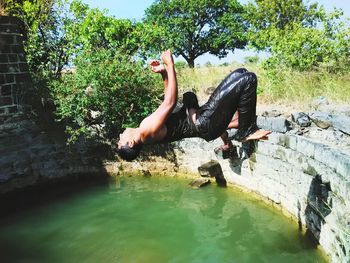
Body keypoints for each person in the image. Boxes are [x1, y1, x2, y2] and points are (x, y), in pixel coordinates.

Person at [117, 50, 271, 161]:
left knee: (240, 73)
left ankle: (243, 125)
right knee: (248, 79)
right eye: (120, 141)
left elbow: (167, 102)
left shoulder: (146, 132)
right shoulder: (145, 130)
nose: (119, 137)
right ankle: (247, 131)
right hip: (204, 122)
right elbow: (170, 102)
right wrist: (170, 64)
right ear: (130, 143)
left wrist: (164, 74)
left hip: (203, 122)